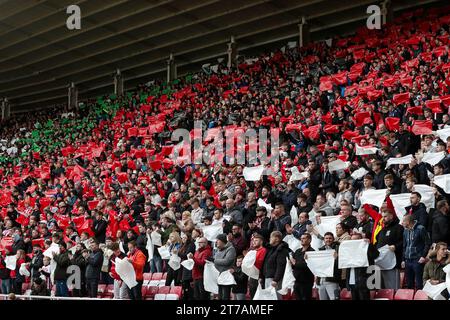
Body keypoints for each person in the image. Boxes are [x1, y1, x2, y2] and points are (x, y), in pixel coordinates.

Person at [346, 233, 379, 300]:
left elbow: (375, 255)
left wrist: (369, 244)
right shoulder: (348, 250)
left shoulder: (366, 248)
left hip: (363, 281)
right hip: (352, 281)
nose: (354, 242)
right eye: (352, 240)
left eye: (356, 240)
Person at [376, 209, 404, 290]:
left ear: (391, 216)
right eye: (382, 217)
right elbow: (376, 244)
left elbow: (404, 242)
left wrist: (395, 246)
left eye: (385, 216)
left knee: (393, 289)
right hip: (380, 264)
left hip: (393, 263)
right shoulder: (381, 231)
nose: (383, 219)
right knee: (382, 290)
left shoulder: (399, 228)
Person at [402, 214, 431, 290]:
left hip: (417, 260)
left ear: (408, 221)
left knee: (419, 284)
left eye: (403, 221)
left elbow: (427, 243)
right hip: (407, 260)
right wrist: (403, 259)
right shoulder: (405, 230)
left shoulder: (420, 229)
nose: (402, 223)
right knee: (409, 284)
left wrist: (423, 256)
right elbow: (404, 246)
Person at [260, 231, 289, 299]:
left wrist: (276, 279)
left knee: (276, 298)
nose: (269, 239)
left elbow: (281, 266)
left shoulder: (282, 250)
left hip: (274, 279)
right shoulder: (271, 249)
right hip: (268, 277)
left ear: (277, 239)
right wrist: (261, 276)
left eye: (271, 237)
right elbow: (265, 264)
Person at [212, 233, 236, 300]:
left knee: (225, 297)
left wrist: (214, 260)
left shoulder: (230, 249)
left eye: (218, 240)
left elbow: (227, 261)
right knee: (220, 297)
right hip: (219, 276)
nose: (216, 242)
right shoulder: (218, 250)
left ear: (223, 241)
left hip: (226, 276)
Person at [316, 232, 340, 300]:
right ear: (324, 239)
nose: (328, 240)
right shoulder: (320, 249)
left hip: (332, 280)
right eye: (326, 238)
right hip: (321, 280)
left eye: (330, 238)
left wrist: (337, 258)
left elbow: (341, 263)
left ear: (333, 239)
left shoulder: (338, 248)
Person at [291, 233, 315, 300]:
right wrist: (293, 263)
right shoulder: (298, 251)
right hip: (296, 281)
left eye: (304, 238)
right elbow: (293, 264)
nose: (301, 240)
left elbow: (306, 265)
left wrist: (295, 263)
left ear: (309, 240)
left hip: (306, 281)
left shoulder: (312, 252)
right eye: (301, 238)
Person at [248, 233, 267, 298]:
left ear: (261, 241)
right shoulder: (253, 251)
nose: (254, 242)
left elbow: (259, 262)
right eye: (253, 240)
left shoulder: (263, 250)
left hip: (258, 276)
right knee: (252, 295)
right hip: (252, 275)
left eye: (256, 240)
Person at [178, 232, 196, 300]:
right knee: (184, 285)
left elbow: (187, 255)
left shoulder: (191, 245)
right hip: (183, 267)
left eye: (185, 238)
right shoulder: (183, 245)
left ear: (188, 238)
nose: (183, 239)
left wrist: (178, 253)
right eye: (183, 238)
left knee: (188, 286)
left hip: (188, 267)